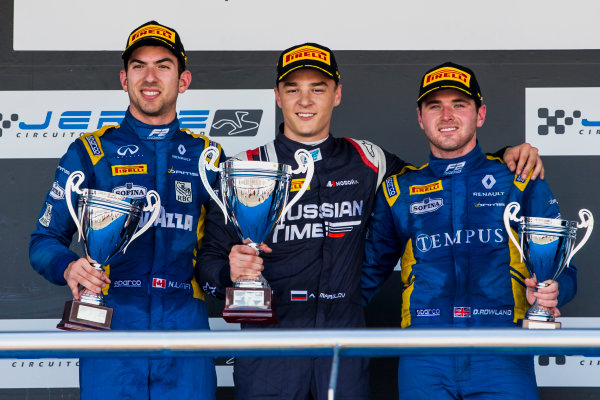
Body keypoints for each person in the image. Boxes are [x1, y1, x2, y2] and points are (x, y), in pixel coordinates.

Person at [196, 45, 545, 399]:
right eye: (293, 89)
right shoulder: (244, 168)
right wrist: (231, 273)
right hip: (270, 348)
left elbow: (441, 173)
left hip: (344, 347)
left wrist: (503, 158)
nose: (305, 101)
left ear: (337, 94)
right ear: (277, 96)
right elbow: (208, 265)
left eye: (317, 88)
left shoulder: (370, 160)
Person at [361, 62, 577, 399]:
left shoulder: (519, 178)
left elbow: (564, 270)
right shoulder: (398, 190)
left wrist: (553, 291)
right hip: (424, 356)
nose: (446, 115)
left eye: (459, 105)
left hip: (503, 352)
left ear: (480, 114)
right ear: (420, 118)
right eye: (435, 106)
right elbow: (363, 276)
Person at [29, 21, 221, 400]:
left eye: (163, 65)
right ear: (124, 78)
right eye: (139, 66)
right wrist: (68, 266)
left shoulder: (207, 157)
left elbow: (218, 249)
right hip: (111, 322)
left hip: (185, 325)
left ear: (183, 80)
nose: (150, 77)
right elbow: (43, 239)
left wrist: (238, 267)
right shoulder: (90, 152)